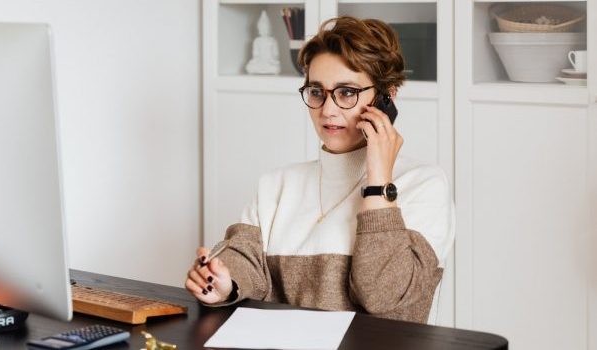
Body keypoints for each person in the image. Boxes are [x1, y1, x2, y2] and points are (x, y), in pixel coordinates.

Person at [185, 16, 454, 324]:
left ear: (386, 98)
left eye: (347, 92)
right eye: (316, 91)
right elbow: (245, 259)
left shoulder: (424, 184)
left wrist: (379, 181)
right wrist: (224, 282)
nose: (328, 110)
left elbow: (384, 297)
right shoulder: (277, 184)